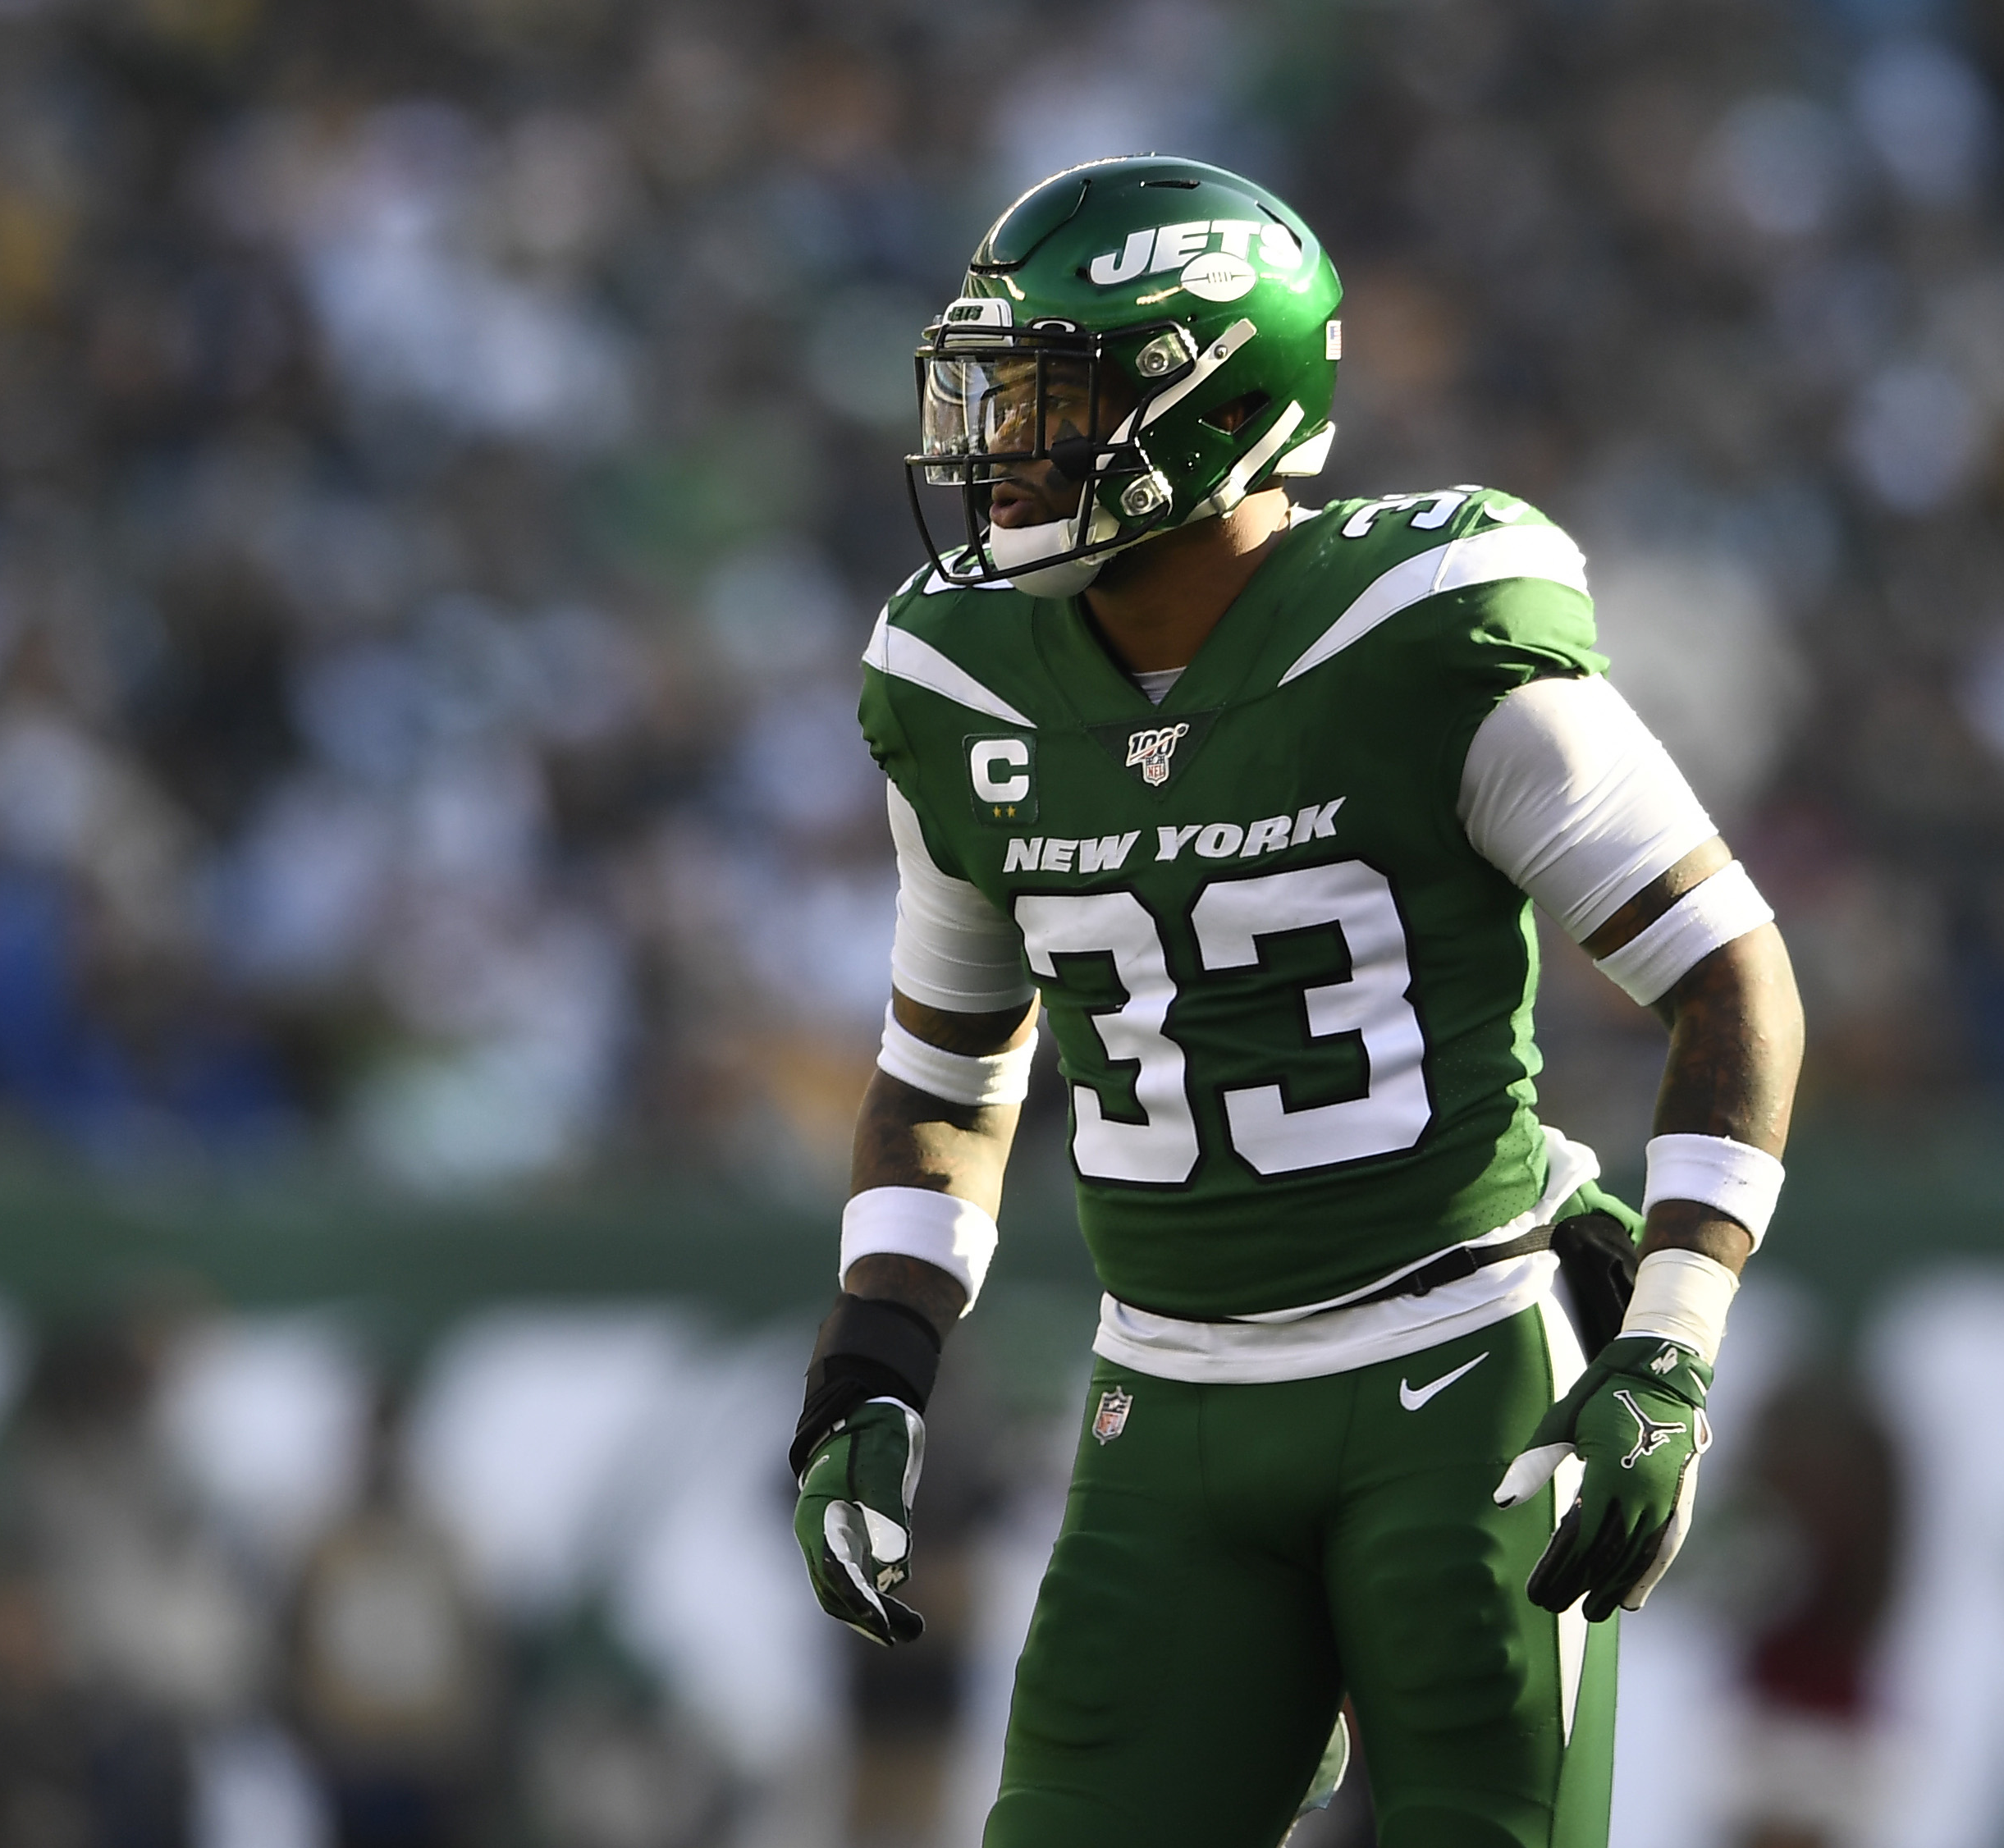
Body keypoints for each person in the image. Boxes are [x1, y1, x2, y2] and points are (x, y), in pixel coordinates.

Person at [787, 154, 1805, 1848]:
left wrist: (1672, 1352)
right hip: (1166, 1400)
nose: (997, 449)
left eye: (1053, 402)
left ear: (1213, 402)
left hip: (1460, 1364)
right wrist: (871, 1371)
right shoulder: (956, 681)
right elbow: (948, 1072)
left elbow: (1731, 977)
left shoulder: (1426, 632)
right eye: (990, 397)